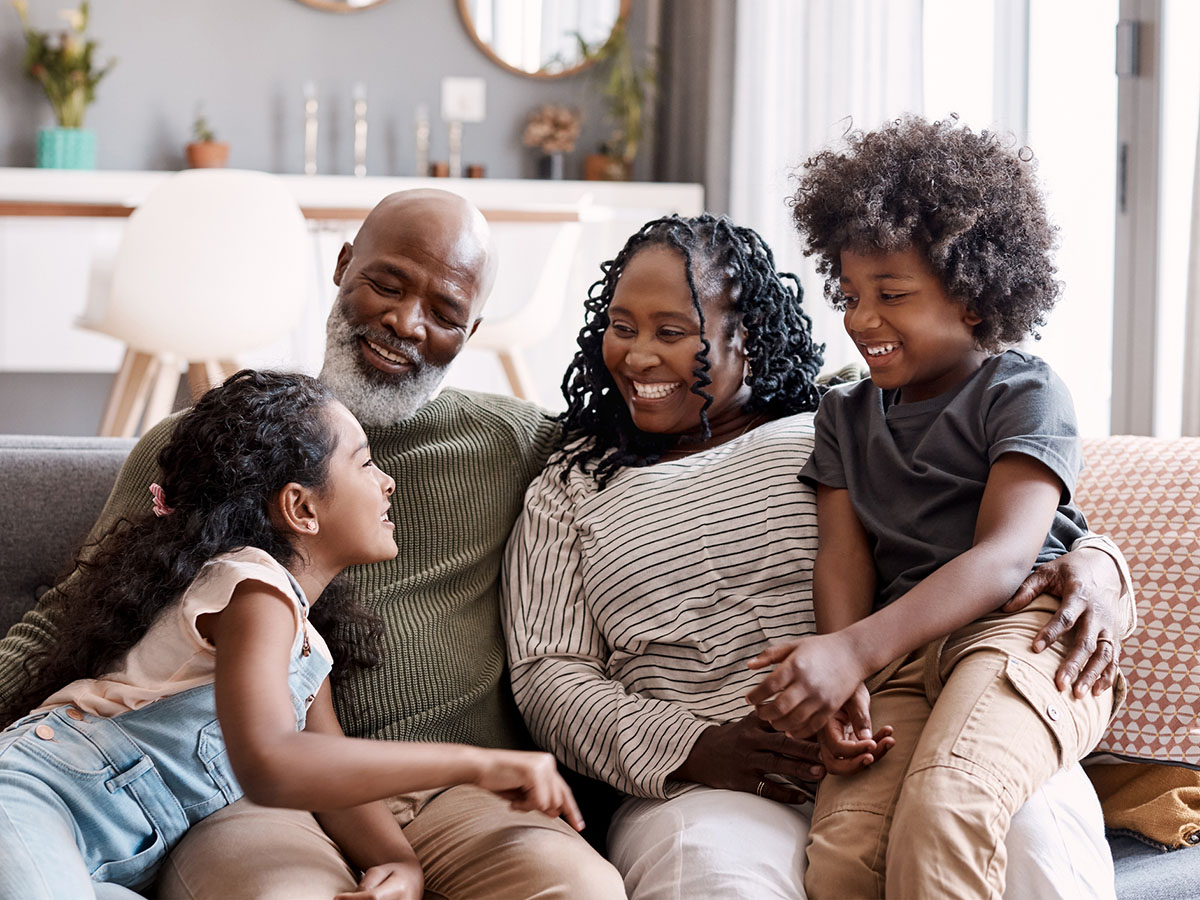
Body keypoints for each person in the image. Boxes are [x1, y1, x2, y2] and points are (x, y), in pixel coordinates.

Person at [0, 190, 625, 899]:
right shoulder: (207, 454)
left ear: (472, 330)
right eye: (387, 284)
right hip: (241, 798)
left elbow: (649, 444)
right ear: (342, 265)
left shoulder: (514, 444)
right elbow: (68, 616)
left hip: (443, 798)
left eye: (445, 313)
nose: (405, 322)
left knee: (578, 888)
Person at [503, 213, 1135, 900]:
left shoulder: (835, 412)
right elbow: (548, 675)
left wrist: (1101, 563)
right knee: (718, 876)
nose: (638, 356)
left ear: (745, 334)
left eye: (673, 332)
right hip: (712, 783)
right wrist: (694, 747)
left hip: (913, 713)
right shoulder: (569, 487)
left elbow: (1017, 530)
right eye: (621, 328)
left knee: (1029, 830)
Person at [0, 370, 581, 900]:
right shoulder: (251, 588)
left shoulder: (304, 648)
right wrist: (474, 765)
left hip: (109, 858)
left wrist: (401, 864)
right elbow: (272, 762)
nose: (388, 483)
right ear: (301, 508)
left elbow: (328, 774)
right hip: (38, 797)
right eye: (365, 463)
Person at [744, 115, 1124, 899]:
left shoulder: (1023, 391)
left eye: (893, 294)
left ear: (975, 300)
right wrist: (848, 663)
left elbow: (1004, 557)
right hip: (907, 657)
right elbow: (843, 555)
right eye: (850, 294)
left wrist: (854, 652)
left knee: (948, 805)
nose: (860, 318)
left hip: (1024, 634)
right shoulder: (844, 414)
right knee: (846, 853)